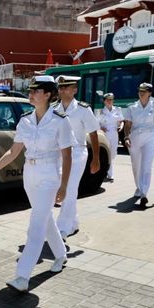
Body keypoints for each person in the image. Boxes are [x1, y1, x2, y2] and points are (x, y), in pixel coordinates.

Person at [0, 76, 74, 292]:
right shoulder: (25, 120)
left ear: (48, 94)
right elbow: (14, 152)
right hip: (30, 174)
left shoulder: (61, 120)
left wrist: (64, 186)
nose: (30, 94)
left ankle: (22, 276)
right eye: (30, 90)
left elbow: (67, 156)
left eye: (36, 91)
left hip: (50, 174)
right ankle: (60, 254)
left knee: (36, 225)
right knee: (45, 217)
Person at [54, 75, 100, 240]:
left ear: (74, 90)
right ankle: (73, 222)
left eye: (66, 87)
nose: (62, 90)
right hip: (59, 154)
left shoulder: (83, 109)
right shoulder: (53, 109)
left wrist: (96, 159)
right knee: (63, 188)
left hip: (77, 153)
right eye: (60, 87)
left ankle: (62, 229)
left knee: (69, 188)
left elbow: (93, 133)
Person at [123, 82, 154, 207]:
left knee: (146, 166)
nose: (141, 93)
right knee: (136, 166)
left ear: (150, 93)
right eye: (140, 91)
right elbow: (127, 125)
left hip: (149, 138)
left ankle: (144, 194)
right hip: (135, 138)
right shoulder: (132, 107)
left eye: (144, 91)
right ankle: (139, 187)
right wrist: (126, 137)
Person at [98, 93, 123, 182]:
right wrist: (101, 128)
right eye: (107, 100)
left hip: (114, 133)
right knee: (108, 153)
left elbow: (121, 120)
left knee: (113, 153)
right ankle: (109, 174)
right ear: (104, 101)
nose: (109, 101)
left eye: (111, 100)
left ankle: (106, 169)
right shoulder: (101, 111)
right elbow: (97, 123)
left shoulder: (117, 109)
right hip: (106, 134)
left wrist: (121, 126)